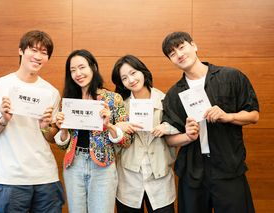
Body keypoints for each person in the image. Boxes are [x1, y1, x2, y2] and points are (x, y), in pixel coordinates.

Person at [161, 31, 259, 213]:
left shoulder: (231, 77)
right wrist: (187, 136)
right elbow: (169, 139)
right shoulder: (174, 94)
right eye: (172, 54)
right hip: (193, 172)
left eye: (181, 47)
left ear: (194, 45)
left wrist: (229, 116)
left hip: (229, 167)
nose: (179, 55)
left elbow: (253, 115)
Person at [0, 30, 65, 213]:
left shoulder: (51, 92)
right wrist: (2, 120)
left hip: (46, 178)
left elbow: (50, 137)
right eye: (33, 50)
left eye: (44, 52)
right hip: (11, 179)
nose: (38, 56)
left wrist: (45, 127)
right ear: (20, 51)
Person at [111, 55, 199, 213]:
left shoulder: (166, 99)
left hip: (160, 177)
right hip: (129, 179)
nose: (131, 80)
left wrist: (166, 127)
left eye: (133, 73)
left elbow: (179, 126)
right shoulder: (120, 106)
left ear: (143, 72)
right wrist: (119, 128)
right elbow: (113, 144)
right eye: (124, 78)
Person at [52, 49, 131, 213]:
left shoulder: (113, 99)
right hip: (74, 165)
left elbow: (127, 141)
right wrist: (64, 130)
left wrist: (109, 126)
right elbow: (62, 145)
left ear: (93, 67)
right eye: (72, 70)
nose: (78, 73)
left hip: (103, 167)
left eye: (82, 67)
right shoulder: (68, 101)